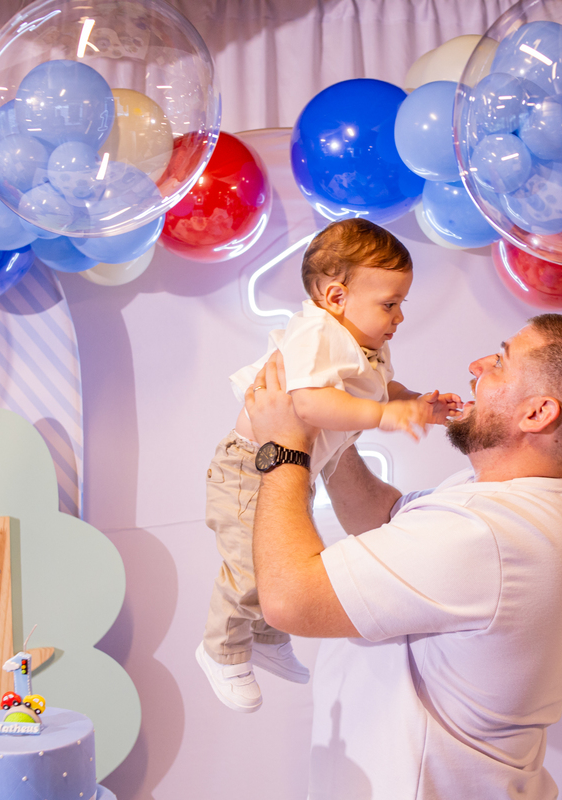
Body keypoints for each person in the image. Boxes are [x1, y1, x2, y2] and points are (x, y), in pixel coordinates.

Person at [242, 313, 562, 798]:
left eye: (500, 362)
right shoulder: (524, 497)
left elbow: (289, 599)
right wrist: (332, 433)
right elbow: (384, 520)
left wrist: (284, 448)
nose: (477, 365)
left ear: (537, 413)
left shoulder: (485, 533)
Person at [197, 219, 461, 713]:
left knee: (280, 555)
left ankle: (266, 637)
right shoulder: (318, 332)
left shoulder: (366, 343)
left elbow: (378, 390)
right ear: (336, 297)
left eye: (401, 303)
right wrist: (384, 417)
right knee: (251, 564)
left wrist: (415, 403)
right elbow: (309, 403)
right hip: (248, 467)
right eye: (390, 304)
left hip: (293, 467)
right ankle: (220, 649)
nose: (400, 316)